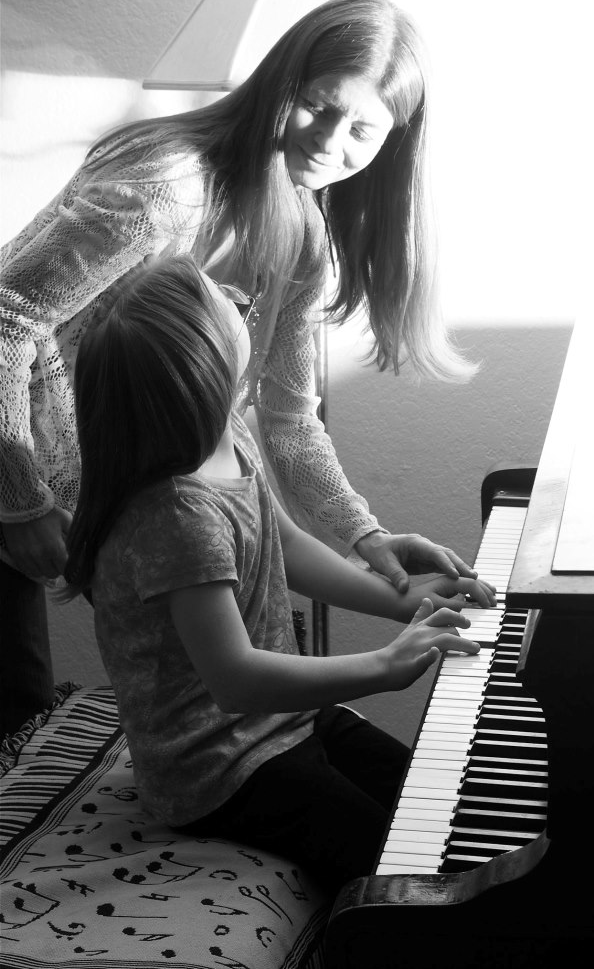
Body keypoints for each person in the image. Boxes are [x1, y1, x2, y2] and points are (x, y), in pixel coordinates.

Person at [0, 0, 477, 733]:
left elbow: (288, 420)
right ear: (281, 83)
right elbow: (7, 320)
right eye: (319, 107)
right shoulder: (166, 187)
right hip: (13, 460)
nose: (330, 142)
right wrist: (20, 501)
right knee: (16, 711)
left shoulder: (303, 238)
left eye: (362, 129)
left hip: (123, 493)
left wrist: (367, 538)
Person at [60, 254, 494, 892]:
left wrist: (400, 600)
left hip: (282, 721)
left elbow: (283, 543)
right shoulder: (177, 516)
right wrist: (382, 666)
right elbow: (235, 678)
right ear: (206, 362)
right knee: (396, 867)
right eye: (222, 300)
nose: (240, 301)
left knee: (440, 802)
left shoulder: (228, 433)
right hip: (217, 768)